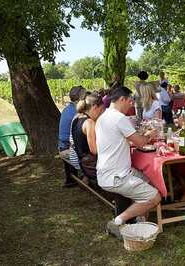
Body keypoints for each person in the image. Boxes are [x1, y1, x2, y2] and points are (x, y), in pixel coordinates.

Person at [95, 86, 161, 238]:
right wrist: (150, 135)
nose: (131, 104)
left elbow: (118, 140)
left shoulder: (103, 117)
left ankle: (139, 219)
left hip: (106, 172)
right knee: (154, 197)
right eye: (130, 101)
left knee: (150, 181)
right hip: (117, 176)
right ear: (122, 99)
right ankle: (117, 222)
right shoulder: (119, 118)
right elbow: (140, 143)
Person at [71, 91, 104, 181]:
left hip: (83, 164)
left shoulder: (77, 118)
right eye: (101, 110)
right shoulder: (89, 123)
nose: (101, 114)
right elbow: (94, 150)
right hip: (92, 167)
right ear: (94, 107)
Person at [58, 86, 86, 187]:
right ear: (80, 98)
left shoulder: (67, 108)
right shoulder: (77, 112)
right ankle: (87, 180)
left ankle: (71, 179)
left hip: (62, 146)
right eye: (85, 95)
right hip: (67, 148)